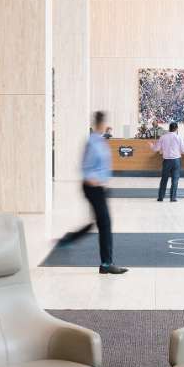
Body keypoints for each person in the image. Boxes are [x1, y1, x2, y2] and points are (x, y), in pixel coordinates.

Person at [59, 111, 127, 274]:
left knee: (98, 222)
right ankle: (106, 264)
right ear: (101, 124)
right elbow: (86, 167)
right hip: (93, 188)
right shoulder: (92, 142)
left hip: (99, 188)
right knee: (105, 224)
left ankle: (68, 239)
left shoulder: (100, 140)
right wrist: (93, 180)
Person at [155, 121, 184, 201]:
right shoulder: (179, 137)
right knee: (175, 180)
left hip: (166, 161)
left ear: (169, 128)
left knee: (164, 179)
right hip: (176, 161)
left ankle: (160, 197)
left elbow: (156, 149)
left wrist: (151, 146)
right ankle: (173, 198)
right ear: (176, 129)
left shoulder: (163, 137)